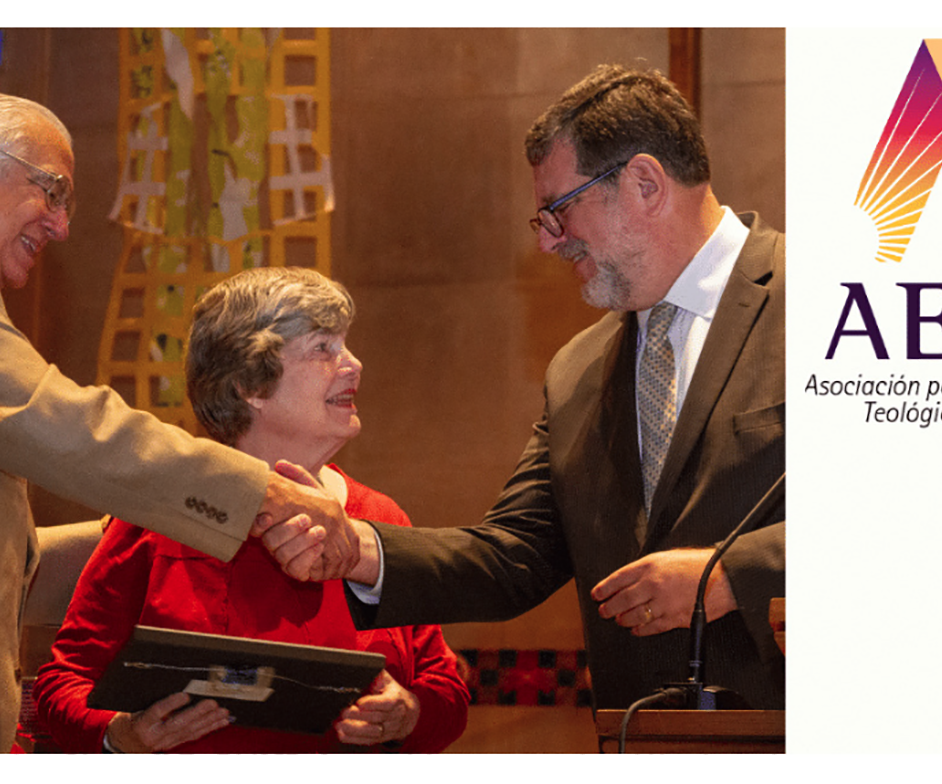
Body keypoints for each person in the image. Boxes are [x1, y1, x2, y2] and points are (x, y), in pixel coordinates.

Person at [266, 64, 785, 710]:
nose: (547, 243)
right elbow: (512, 558)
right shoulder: (576, 372)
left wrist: (735, 576)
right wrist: (357, 550)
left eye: (559, 211)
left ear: (645, 184)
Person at [0, 92, 360, 753]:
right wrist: (256, 494)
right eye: (49, 191)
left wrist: (134, 530)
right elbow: (46, 416)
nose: (60, 225)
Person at [32, 268, 468, 753]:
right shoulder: (160, 515)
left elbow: (445, 688)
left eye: (345, 345)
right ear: (249, 385)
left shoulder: (378, 519)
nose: (355, 364)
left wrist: (408, 714)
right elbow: (62, 681)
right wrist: (121, 736)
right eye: (324, 348)